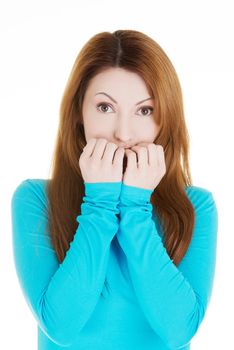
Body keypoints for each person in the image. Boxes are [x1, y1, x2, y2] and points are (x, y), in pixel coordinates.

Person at [11, 29, 218, 350]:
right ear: (79, 112)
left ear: (165, 120)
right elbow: (61, 327)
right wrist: (99, 204)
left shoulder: (196, 206)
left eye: (145, 110)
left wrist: (136, 209)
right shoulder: (36, 200)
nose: (124, 133)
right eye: (105, 108)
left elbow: (179, 330)